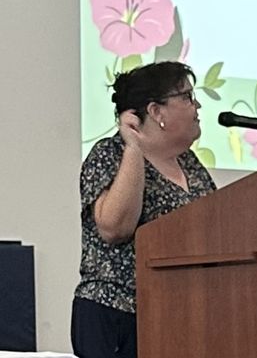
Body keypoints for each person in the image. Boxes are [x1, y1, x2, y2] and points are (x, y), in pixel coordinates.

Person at [72, 60, 216, 358]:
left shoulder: (191, 164)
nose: (197, 105)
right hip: (116, 316)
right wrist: (134, 149)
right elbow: (114, 228)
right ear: (155, 111)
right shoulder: (109, 154)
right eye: (187, 97)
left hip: (179, 315)